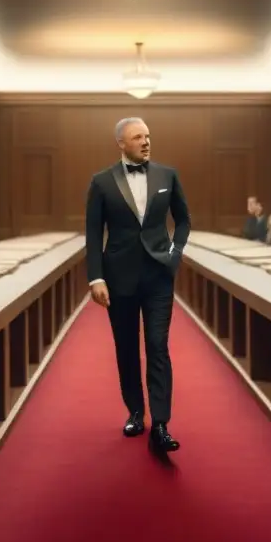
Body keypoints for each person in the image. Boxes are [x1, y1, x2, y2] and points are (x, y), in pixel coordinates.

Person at [85, 117, 191, 454]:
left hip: (159, 275)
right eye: (137, 137)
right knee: (127, 347)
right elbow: (92, 233)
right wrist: (96, 277)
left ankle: (160, 423)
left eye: (148, 136)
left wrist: (175, 253)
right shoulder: (101, 182)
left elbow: (184, 221)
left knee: (158, 345)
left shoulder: (167, 175)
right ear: (121, 143)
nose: (146, 142)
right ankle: (135, 411)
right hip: (119, 279)